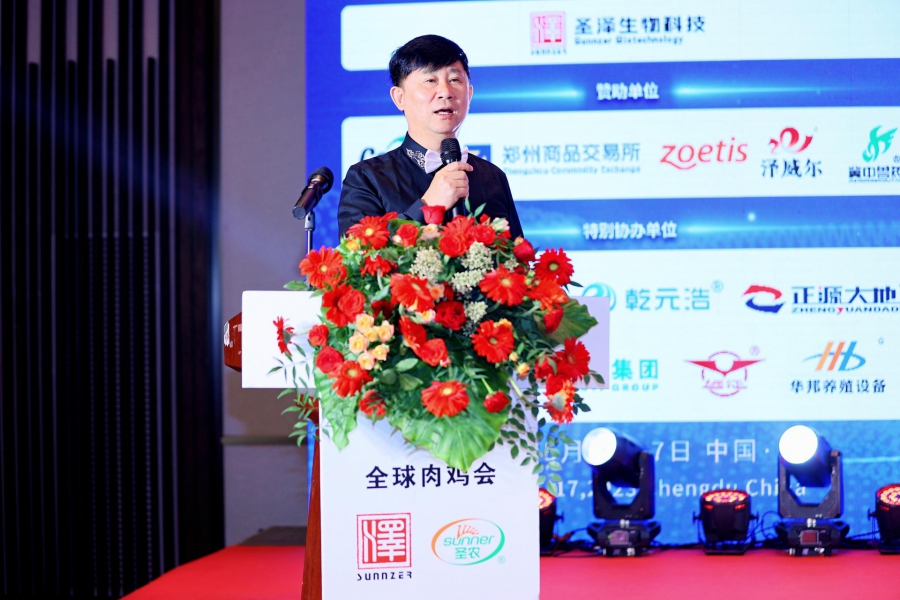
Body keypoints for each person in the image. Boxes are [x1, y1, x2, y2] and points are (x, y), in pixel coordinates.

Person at [338, 34, 523, 239]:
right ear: (399, 98)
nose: (445, 92)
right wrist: (428, 206)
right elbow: (359, 254)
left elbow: (517, 255)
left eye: (454, 80)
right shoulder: (366, 179)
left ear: (469, 94)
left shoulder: (492, 177)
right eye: (430, 80)